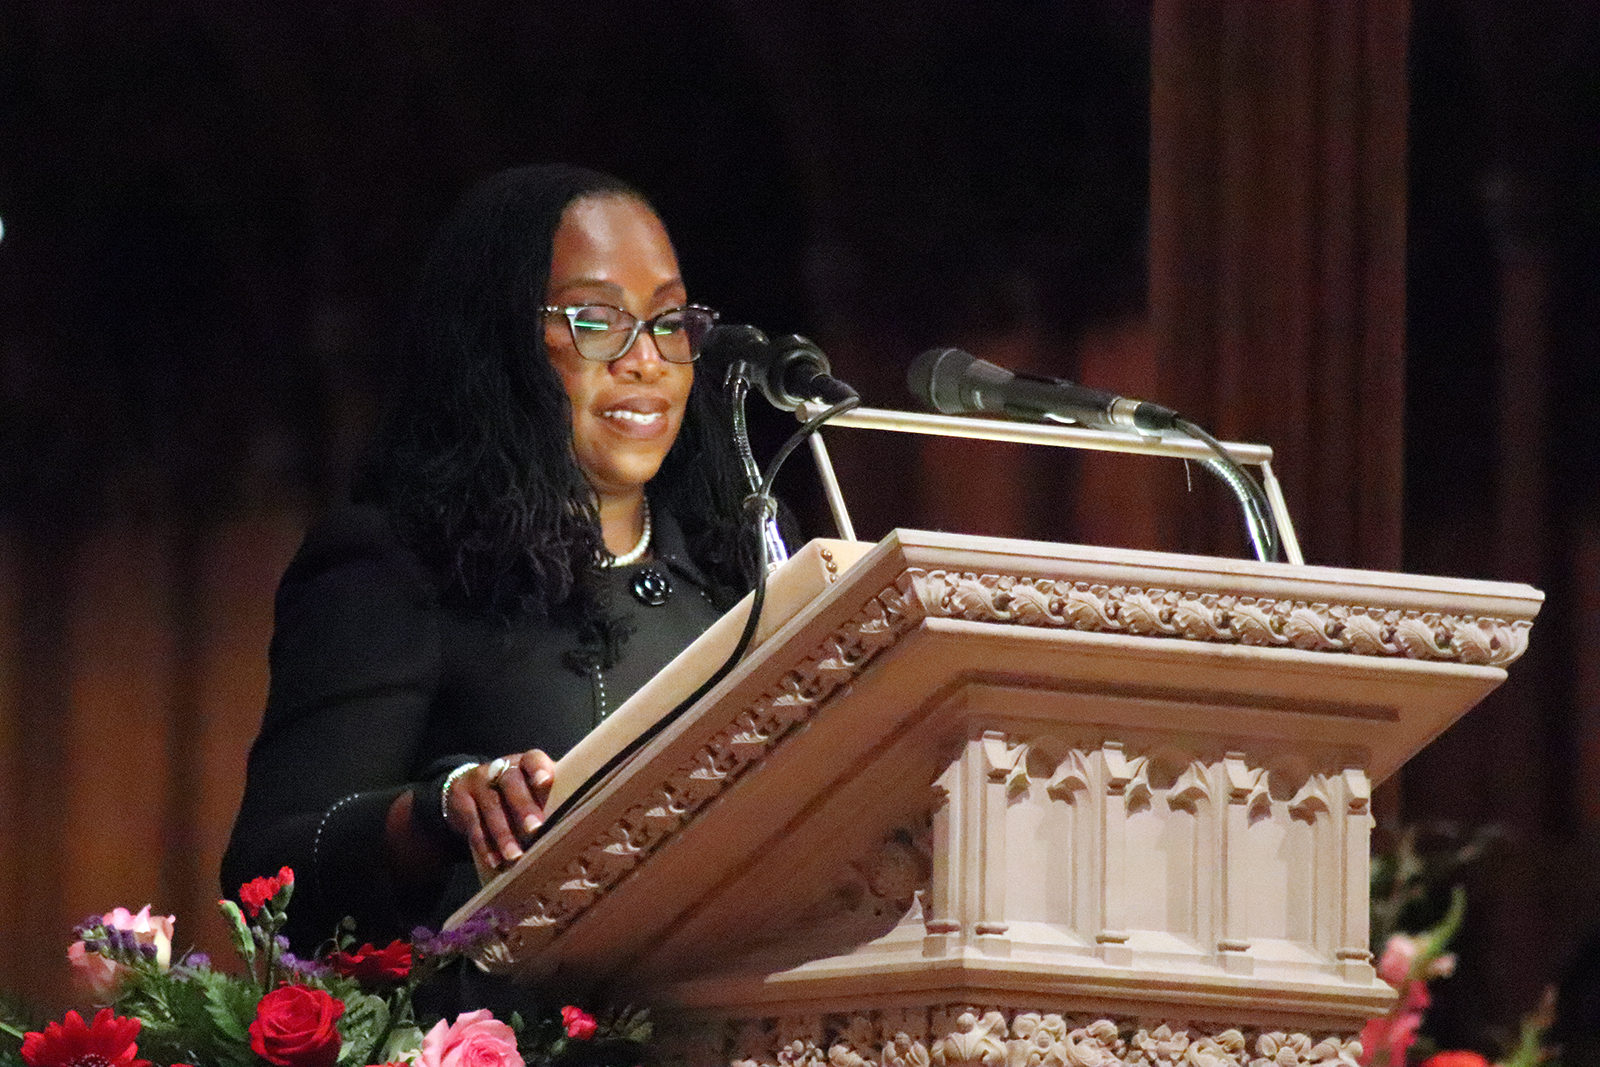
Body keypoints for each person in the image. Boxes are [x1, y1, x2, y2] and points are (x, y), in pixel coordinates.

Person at [221, 165, 761, 983]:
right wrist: (432, 817)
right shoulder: (400, 563)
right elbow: (268, 875)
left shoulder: (743, 564)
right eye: (595, 320)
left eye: (669, 321)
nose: (646, 360)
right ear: (501, 337)